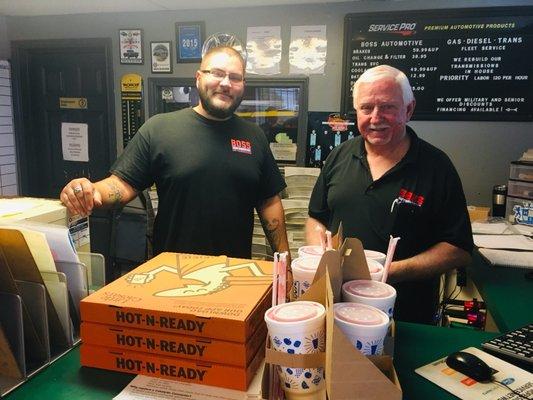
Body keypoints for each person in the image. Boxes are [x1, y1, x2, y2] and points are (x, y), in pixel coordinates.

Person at [60, 46, 291, 268]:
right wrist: (91, 190)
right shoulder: (160, 129)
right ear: (198, 77)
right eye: (217, 73)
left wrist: (286, 264)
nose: (225, 83)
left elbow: (269, 202)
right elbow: (122, 183)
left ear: (243, 85)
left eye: (235, 77)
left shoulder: (254, 137)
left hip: (233, 274)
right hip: (172, 275)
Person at [306, 65, 473, 324]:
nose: (375, 117)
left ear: (408, 109)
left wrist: (390, 272)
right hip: (337, 310)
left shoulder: (437, 166)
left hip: (407, 316)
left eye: (387, 107)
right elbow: (316, 218)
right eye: (366, 108)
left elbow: (458, 248)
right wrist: (323, 260)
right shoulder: (338, 156)